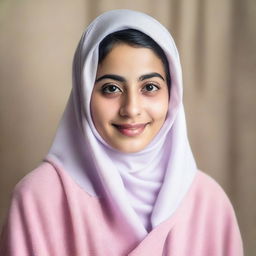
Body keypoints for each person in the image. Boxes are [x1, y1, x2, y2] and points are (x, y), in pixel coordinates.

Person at [0, 9, 243, 255]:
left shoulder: (209, 203)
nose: (131, 109)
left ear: (173, 93)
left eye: (149, 87)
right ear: (83, 94)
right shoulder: (38, 199)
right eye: (111, 88)